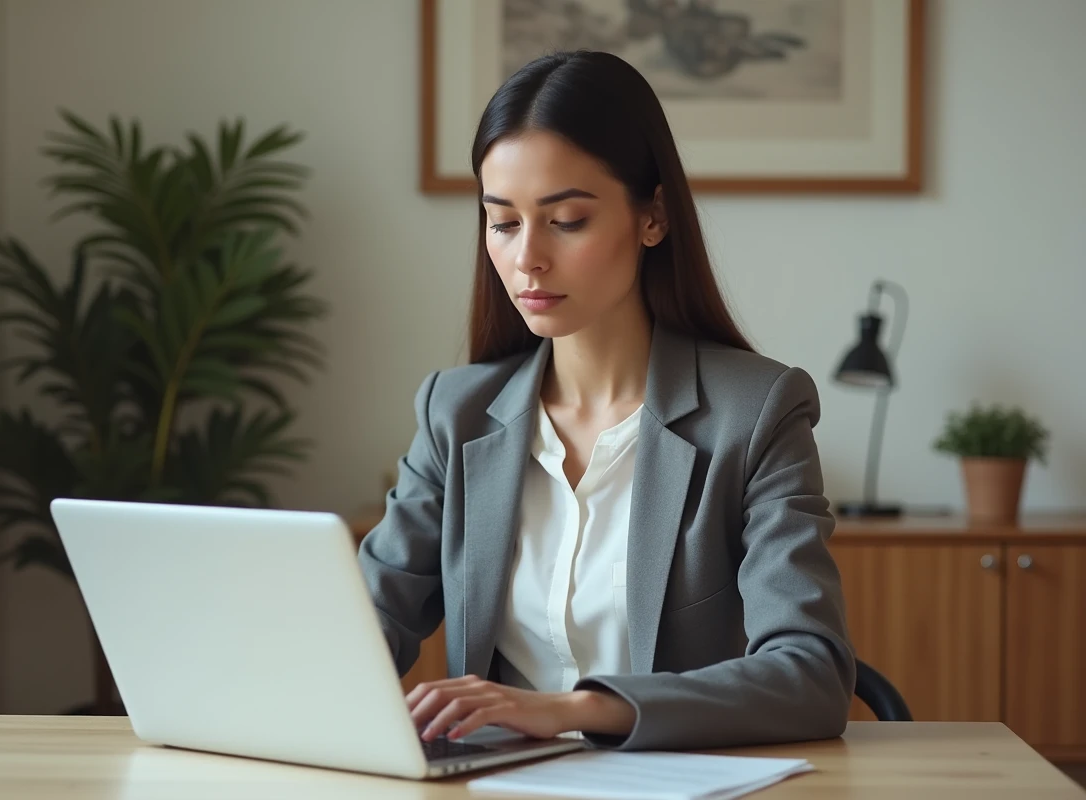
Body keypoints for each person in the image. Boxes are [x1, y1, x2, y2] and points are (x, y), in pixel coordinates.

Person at [356, 50, 854, 752]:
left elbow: (812, 678)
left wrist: (574, 709)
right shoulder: (455, 414)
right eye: (503, 222)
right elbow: (364, 628)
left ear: (652, 217)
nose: (528, 257)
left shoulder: (758, 413)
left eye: (565, 220)